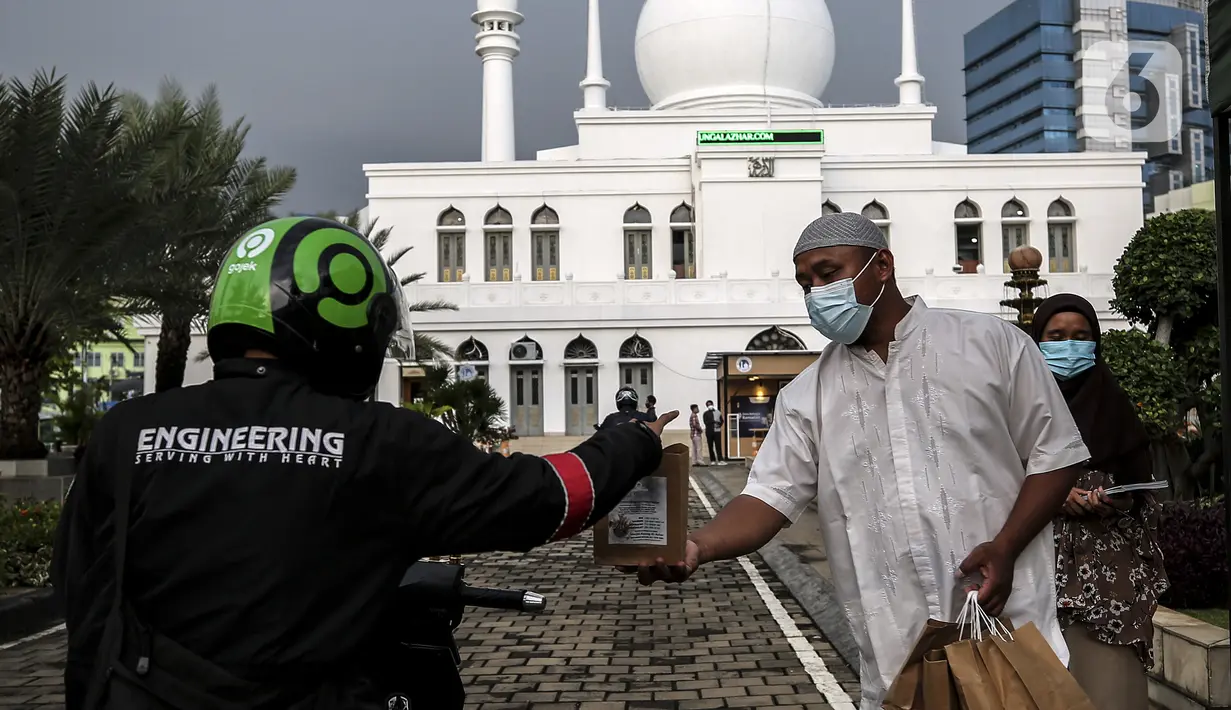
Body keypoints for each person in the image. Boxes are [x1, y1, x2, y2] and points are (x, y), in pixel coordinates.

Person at [52, 216, 678, 710]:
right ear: (346, 324)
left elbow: (83, 594)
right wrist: (632, 438)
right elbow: (553, 498)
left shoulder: (125, 434)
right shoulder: (377, 440)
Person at [627, 212, 1090, 709]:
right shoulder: (808, 394)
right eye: (806, 283)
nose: (817, 293)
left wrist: (1006, 545)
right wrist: (698, 545)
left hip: (1007, 625)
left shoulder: (990, 345)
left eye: (829, 274)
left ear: (882, 264)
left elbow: (1056, 454)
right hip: (897, 653)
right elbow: (768, 497)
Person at [1032, 294, 1169, 710]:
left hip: (1108, 579)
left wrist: (1115, 501)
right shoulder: (1020, 408)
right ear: (1036, 342)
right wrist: (1055, 495)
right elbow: (995, 477)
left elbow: (1139, 484)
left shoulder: (1114, 407)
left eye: (1081, 336)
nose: (1069, 346)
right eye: (1055, 336)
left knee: (1108, 686)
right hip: (1035, 568)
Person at [702, 400, 722, 464]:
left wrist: (719, 424)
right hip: (709, 431)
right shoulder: (705, 413)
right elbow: (706, 422)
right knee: (710, 446)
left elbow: (722, 420)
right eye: (708, 405)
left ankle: (720, 459)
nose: (709, 406)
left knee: (718, 446)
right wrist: (713, 421)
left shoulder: (718, 412)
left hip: (717, 431)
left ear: (713, 404)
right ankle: (712, 460)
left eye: (710, 404)